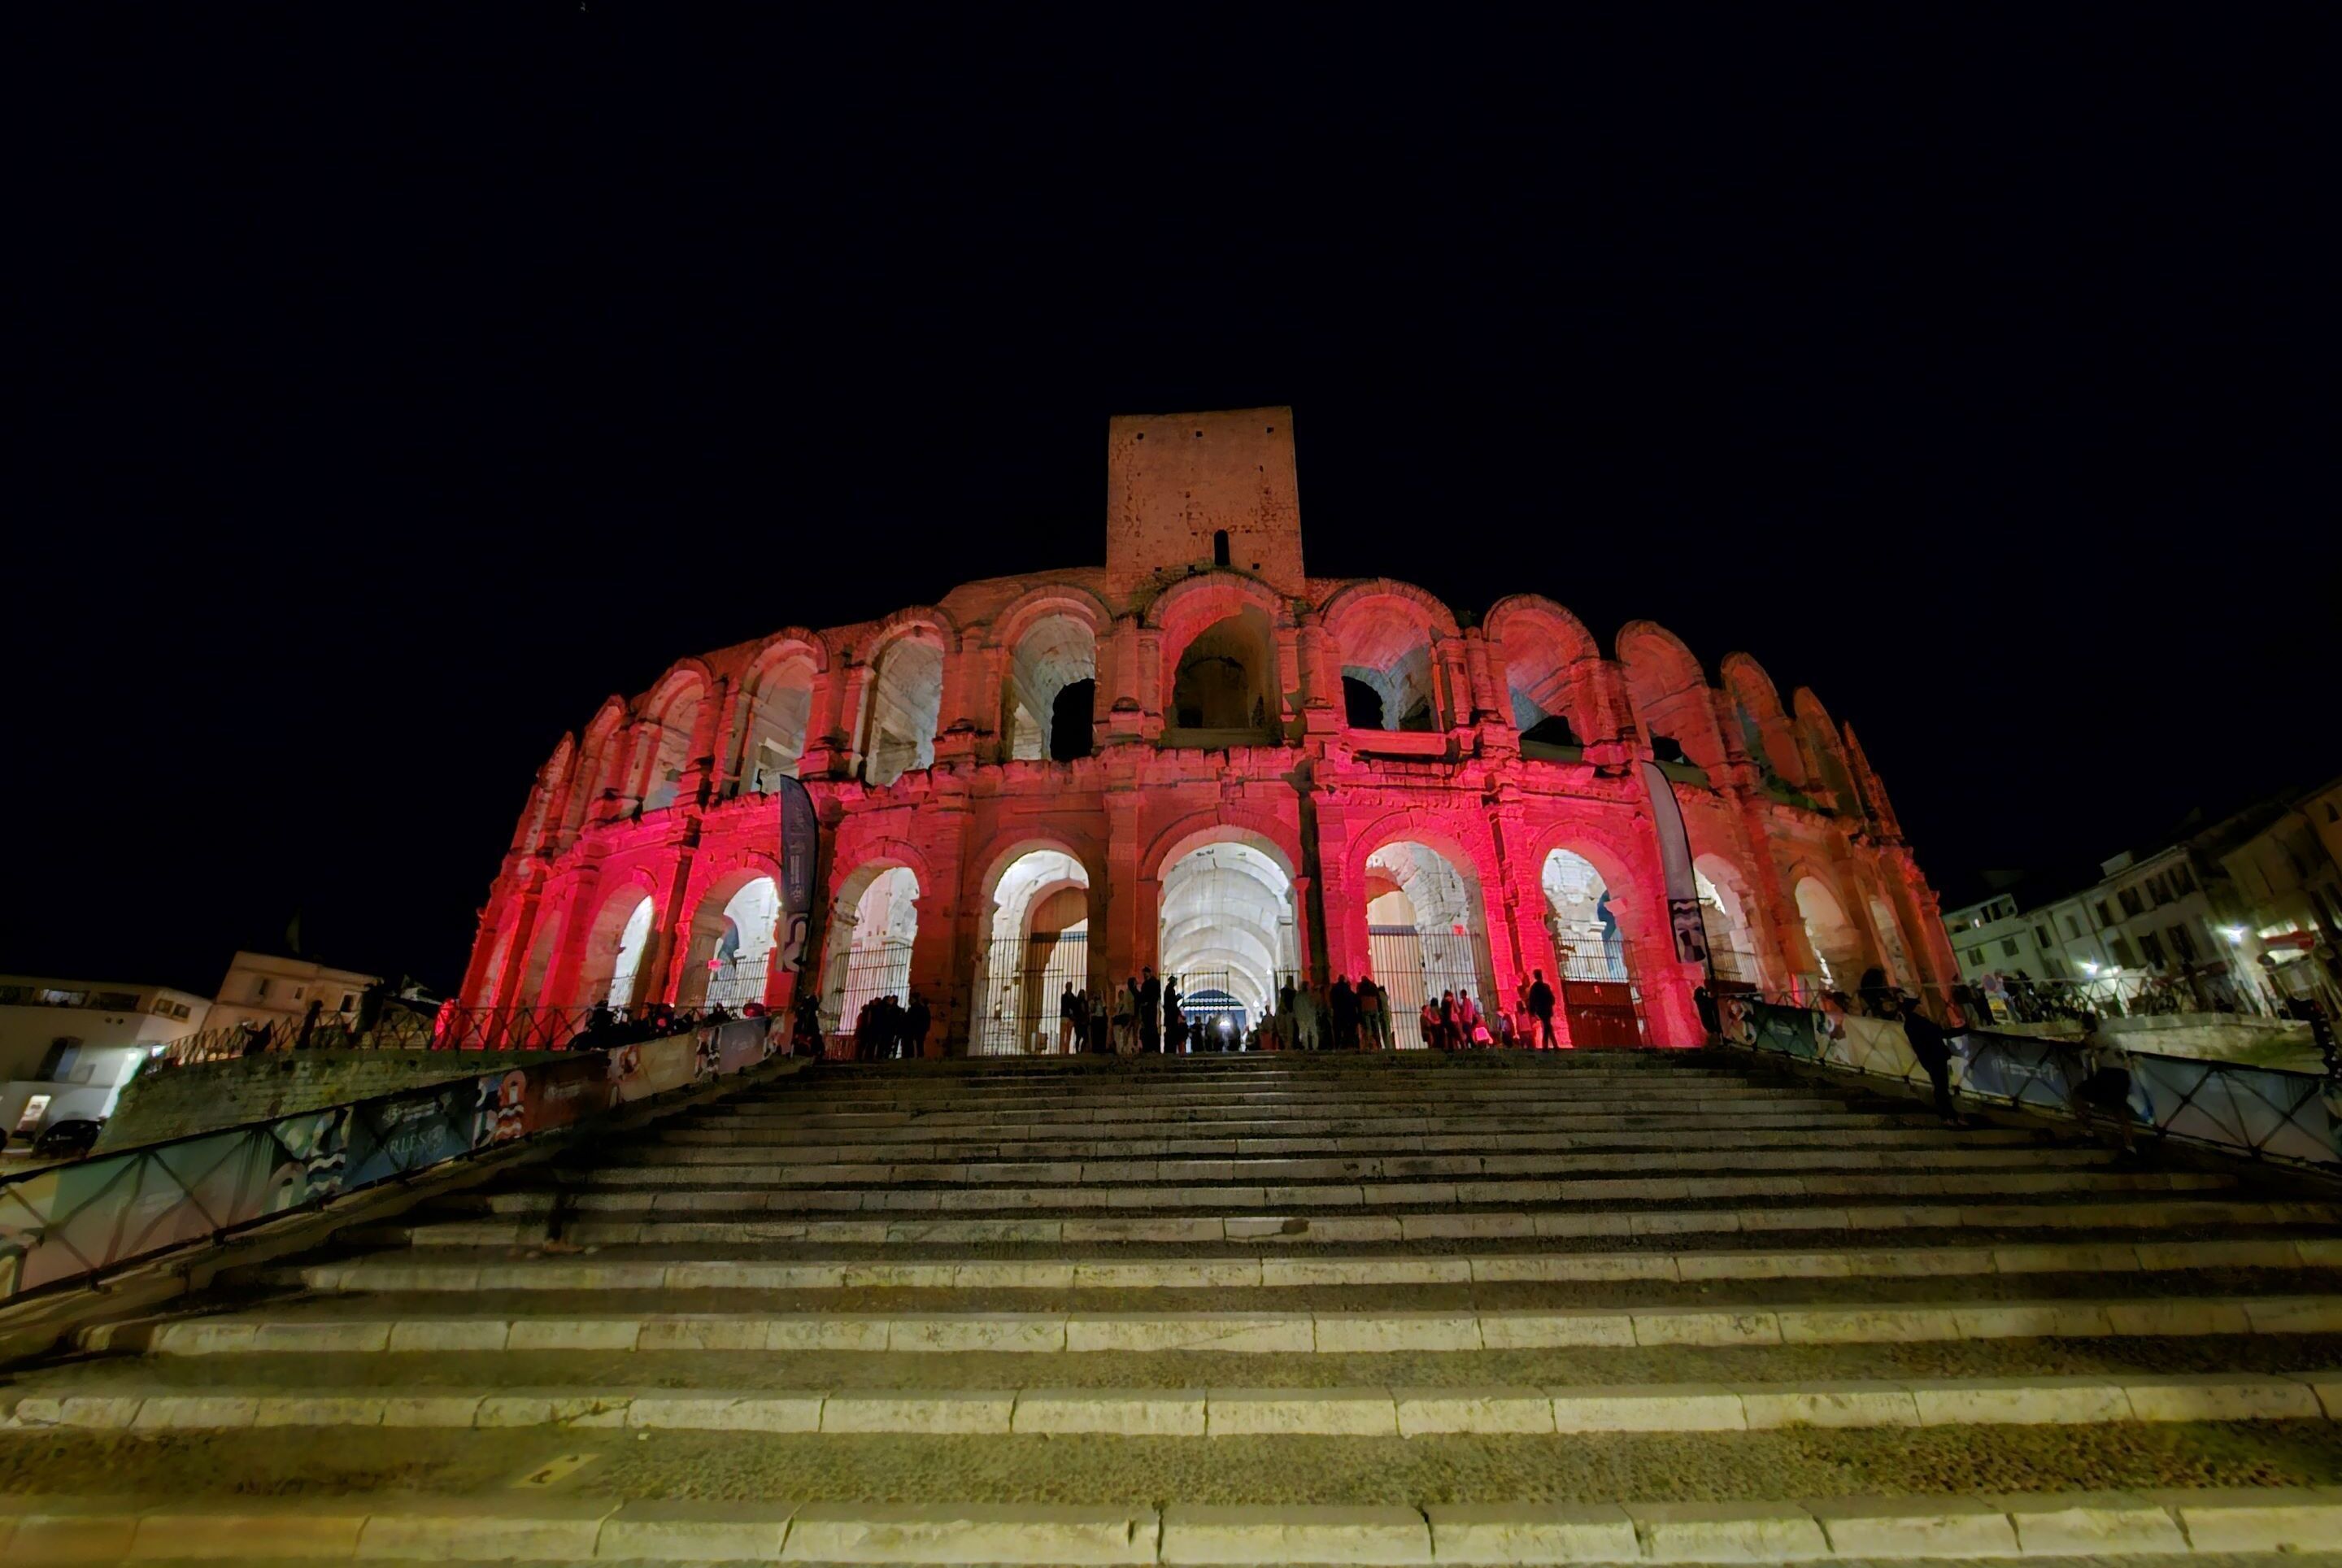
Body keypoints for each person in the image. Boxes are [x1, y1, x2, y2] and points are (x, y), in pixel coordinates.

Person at [1895, 992, 1963, 1126]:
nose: (1922, 1007)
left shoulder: (1910, 1023)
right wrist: (1961, 1030)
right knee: (1941, 1087)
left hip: (1930, 1058)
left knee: (1940, 1086)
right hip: (1935, 1056)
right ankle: (1948, 1115)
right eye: (1919, 1005)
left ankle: (1949, 1115)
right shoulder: (1919, 1022)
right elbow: (1939, 1033)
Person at [1526, 969, 1558, 1049]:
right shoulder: (1545, 987)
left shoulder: (1535, 987)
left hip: (1541, 1009)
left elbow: (1532, 1000)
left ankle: (1549, 1046)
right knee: (1547, 1026)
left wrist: (1532, 1011)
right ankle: (1550, 1045)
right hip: (1546, 1009)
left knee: (1547, 1026)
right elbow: (1551, 999)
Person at [1356, 975, 1386, 1050]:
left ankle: (1368, 1045)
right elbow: (1378, 998)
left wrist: (1359, 1012)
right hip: (1374, 1008)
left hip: (1365, 1009)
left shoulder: (1361, 986)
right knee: (1375, 1028)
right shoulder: (1373, 986)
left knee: (1368, 1028)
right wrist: (1380, 1009)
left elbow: (1358, 999)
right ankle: (1378, 1045)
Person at [1330, 975, 1357, 1050]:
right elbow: (1354, 1000)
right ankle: (1347, 1045)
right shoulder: (1348, 990)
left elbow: (1332, 1000)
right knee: (1347, 1031)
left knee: (1338, 1031)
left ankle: (1338, 1045)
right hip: (1348, 1013)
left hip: (1338, 1013)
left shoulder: (1335, 989)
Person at [1139, 968, 1161, 1053]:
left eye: (1146, 973)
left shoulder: (1154, 983)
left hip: (1151, 1008)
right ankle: (1149, 1047)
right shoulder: (1146, 984)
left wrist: (1148, 1002)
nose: (1145, 975)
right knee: (1148, 1027)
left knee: (1152, 1026)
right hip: (1147, 1009)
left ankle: (1153, 1047)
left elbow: (1155, 996)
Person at [1058, 985, 1079, 1055]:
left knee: (1068, 1035)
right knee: (1063, 1035)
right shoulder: (1064, 997)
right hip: (1065, 1017)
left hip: (1069, 1018)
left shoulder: (1072, 997)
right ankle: (1062, 1050)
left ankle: (1066, 1050)